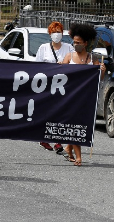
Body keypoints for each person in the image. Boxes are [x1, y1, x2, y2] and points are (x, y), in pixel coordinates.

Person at [60, 23, 105, 166]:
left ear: (85, 43)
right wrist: (59, 65)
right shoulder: (69, 56)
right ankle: (78, 156)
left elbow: (99, 78)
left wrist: (102, 70)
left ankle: (69, 147)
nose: (76, 45)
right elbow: (59, 75)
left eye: (79, 43)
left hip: (85, 98)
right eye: (74, 42)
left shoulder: (93, 59)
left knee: (79, 124)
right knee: (74, 124)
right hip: (70, 97)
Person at [35, 21, 73, 153]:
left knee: (60, 112)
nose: (56, 35)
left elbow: (75, 63)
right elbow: (37, 67)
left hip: (63, 86)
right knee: (47, 112)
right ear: (49, 34)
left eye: (59, 32)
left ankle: (57, 141)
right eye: (54, 32)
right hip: (47, 85)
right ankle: (43, 138)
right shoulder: (43, 48)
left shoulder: (68, 48)